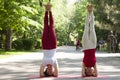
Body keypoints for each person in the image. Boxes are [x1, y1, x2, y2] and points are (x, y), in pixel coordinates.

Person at [40, 3, 58, 77]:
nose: (50, 70)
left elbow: (41, 74)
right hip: (53, 45)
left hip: (45, 45)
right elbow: (56, 74)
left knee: (46, 26)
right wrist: (53, 74)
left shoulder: (44, 63)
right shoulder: (54, 63)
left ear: (46, 69)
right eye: (51, 71)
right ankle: (50, 10)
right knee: (51, 27)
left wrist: (45, 74)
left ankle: (46, 11)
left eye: (48, 71)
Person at [81, 4, 98, 77]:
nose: (89, 71)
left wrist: (85, 73)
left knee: (86, 28)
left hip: (85, 46)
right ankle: (92, 11)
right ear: (93, 71)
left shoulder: (84, 64)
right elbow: (96, 74)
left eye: (88, 72)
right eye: (91, 72)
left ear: (86, 71)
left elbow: (82, 74)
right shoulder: (94, 64)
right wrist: (94, 74)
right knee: (92, 28)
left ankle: (88, 12)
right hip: (93, 45)